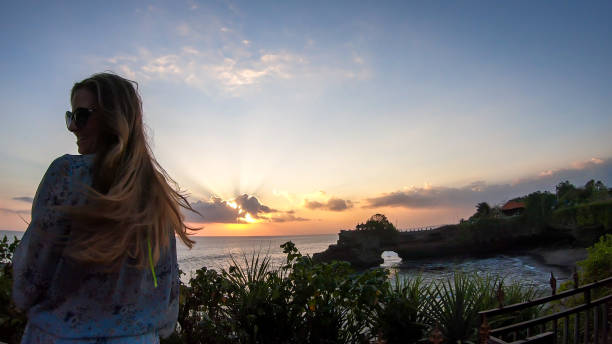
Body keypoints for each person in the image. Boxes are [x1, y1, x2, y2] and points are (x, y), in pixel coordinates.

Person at [11, 72, 201, 343]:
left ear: (113, 118)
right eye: (70, 116)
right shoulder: (153, 190)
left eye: (81, 116)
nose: (72, 127)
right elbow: (167, 288)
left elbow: (30, 279)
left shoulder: (65, 174)